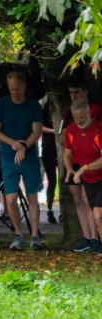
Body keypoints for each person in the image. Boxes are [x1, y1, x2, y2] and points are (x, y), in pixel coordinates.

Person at [0, 71, 44, 251]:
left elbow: (37, 131)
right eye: (12, 89)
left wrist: (24, 146)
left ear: (25, 87)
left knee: (32, 196)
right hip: (8, 155)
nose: (15, 92)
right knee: (11, 198)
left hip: (29, 156)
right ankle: (18, 234)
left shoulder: (33, 105)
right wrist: (12, 143)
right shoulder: (2, 104)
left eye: (18, 89)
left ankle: (35, 235)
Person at [63, 100, 102, 254]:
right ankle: (91, 240)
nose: (79, 121)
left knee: (98, 214)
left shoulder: (98, 129)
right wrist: (69, 169)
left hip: (98, 175)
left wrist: (84, 168)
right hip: (88, 177)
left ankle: (95, 241)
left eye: (82, 117)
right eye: (76, 118)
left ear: (89, 113)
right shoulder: (71, 130)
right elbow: (67, 154)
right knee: (94, 213)